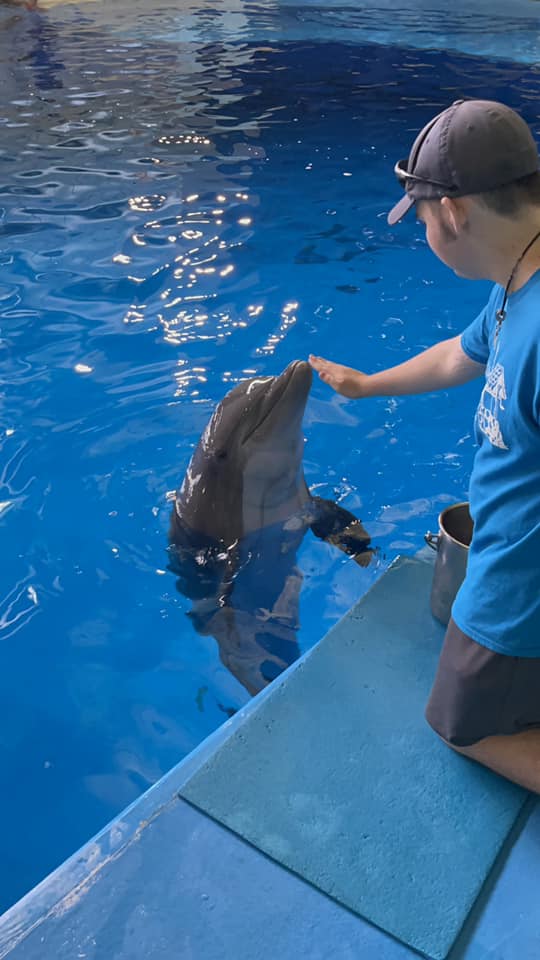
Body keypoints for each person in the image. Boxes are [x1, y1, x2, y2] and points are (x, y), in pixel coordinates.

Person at [309, 99, 540, 794]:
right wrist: (370, 384)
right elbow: (460, 355)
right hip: (512, 553)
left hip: (521, 578)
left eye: (420, 220)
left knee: (459, 725)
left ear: (454, 215)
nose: (425, 236)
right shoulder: (518, 278)